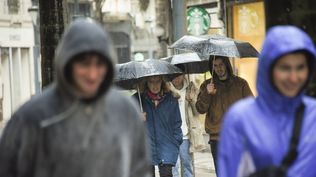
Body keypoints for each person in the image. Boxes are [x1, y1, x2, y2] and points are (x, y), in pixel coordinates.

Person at [0, 19, 151, 177]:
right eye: (84, 64)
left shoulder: (125, 112)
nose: (92, 75)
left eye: (99, 65)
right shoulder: (31, 118)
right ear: (67, 62)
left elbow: (139, 169)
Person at [218, 26, 316, 177]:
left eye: (300, 67)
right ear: (268, 69)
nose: (294, 78)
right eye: (285, 68)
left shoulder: (313, 114)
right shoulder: (241, 119)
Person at [195, 55, 253, 174]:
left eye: (221, 64)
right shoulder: (207, 86)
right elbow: (200, 109)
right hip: (217, 138)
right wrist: (207, 93)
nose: (218, 68)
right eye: (215, 66)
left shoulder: (240, 84)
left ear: (226, 64)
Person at [137, 75, 183, 177]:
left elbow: (177, 122)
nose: (155, 85)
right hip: (146, 147)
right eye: (151, 82)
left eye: (157, 81)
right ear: (146, 83)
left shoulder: (171, 98)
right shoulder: (138, 100)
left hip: (167, 145)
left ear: (162, 82)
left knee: (166, 174)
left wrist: (176, 140)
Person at [170, 74, 206, 177]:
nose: (176, 78)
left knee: (187, 165)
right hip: (170, 135)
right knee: (173, 167)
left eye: (178, 75)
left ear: (183, 75)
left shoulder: (191, 89)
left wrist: (192, 101)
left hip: (185, 134)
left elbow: (197, 112)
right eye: (174, 76)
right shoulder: (167, 90)